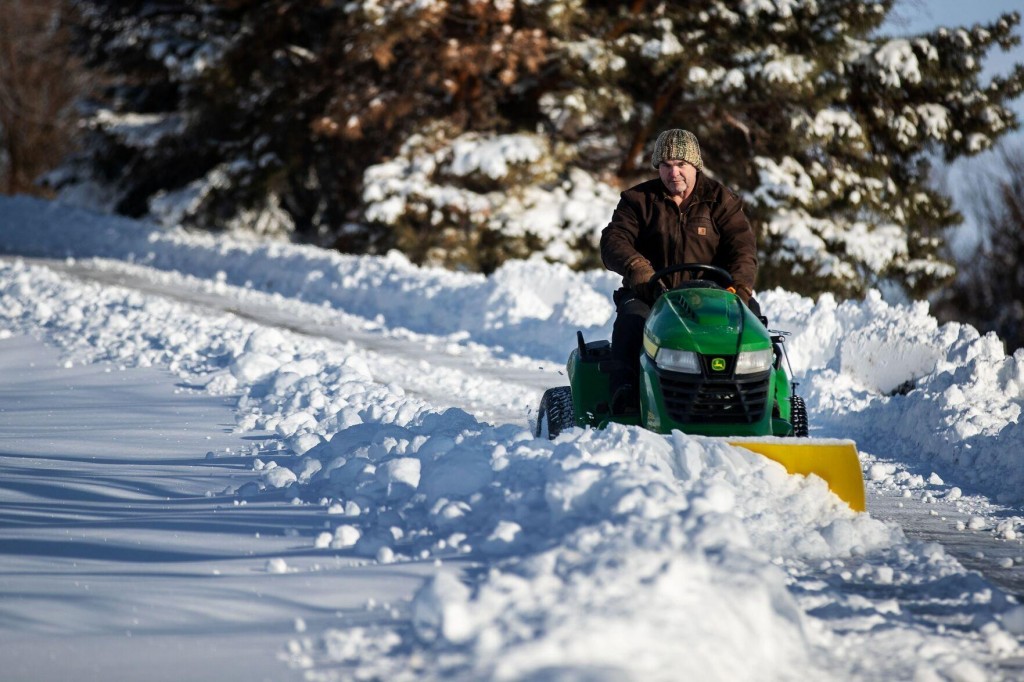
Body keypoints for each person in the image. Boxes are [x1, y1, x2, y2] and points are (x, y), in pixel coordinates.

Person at [600, 128, 759, 413]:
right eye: (666, 165)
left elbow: (743, 250)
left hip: (714, 297)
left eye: (681, 165)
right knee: (631, 322)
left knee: (752, 324)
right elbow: (613, 241)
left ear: (695, 165)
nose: (674, 173)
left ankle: (762, 400)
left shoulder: (721, 201)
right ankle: (625, 399)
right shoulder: (638, 201)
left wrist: (740, 288)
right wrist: (638, 268)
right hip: (650, 294)